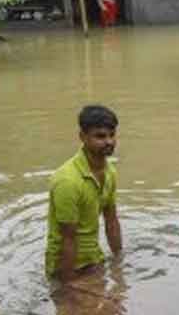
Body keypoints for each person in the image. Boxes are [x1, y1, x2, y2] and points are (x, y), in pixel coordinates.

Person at [45, 105, 122, 284]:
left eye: (112, 135)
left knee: (118, 308)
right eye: (100, 136)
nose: (109, 141)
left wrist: (119, 265)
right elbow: (68, 239)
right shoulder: (67, 181)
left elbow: (111, 220)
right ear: (82, 137)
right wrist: (68, 287)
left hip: (94, 259)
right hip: (65, 267)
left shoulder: (110, 171)